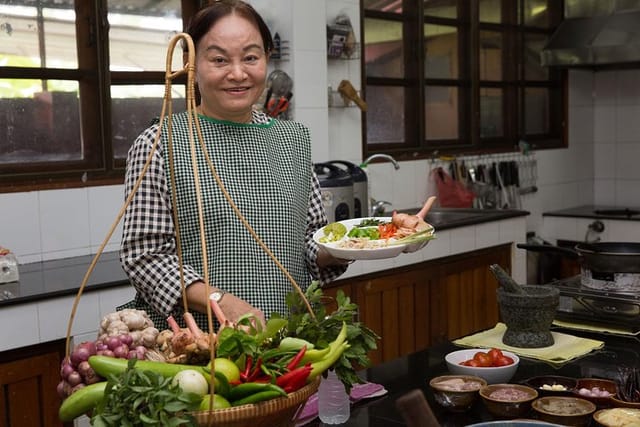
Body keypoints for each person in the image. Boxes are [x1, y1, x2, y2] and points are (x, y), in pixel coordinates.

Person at [118, 0, 350, 331]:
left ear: (267, 59)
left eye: (251, 57)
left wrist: (361, 241)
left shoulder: (292, 140)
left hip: (289, 342)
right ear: (191, 63)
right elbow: (145, 257)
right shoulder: (159, 144)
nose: (238, 73)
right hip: (201, 347)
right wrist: (219, 300)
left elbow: (309, 242)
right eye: (219, 60)